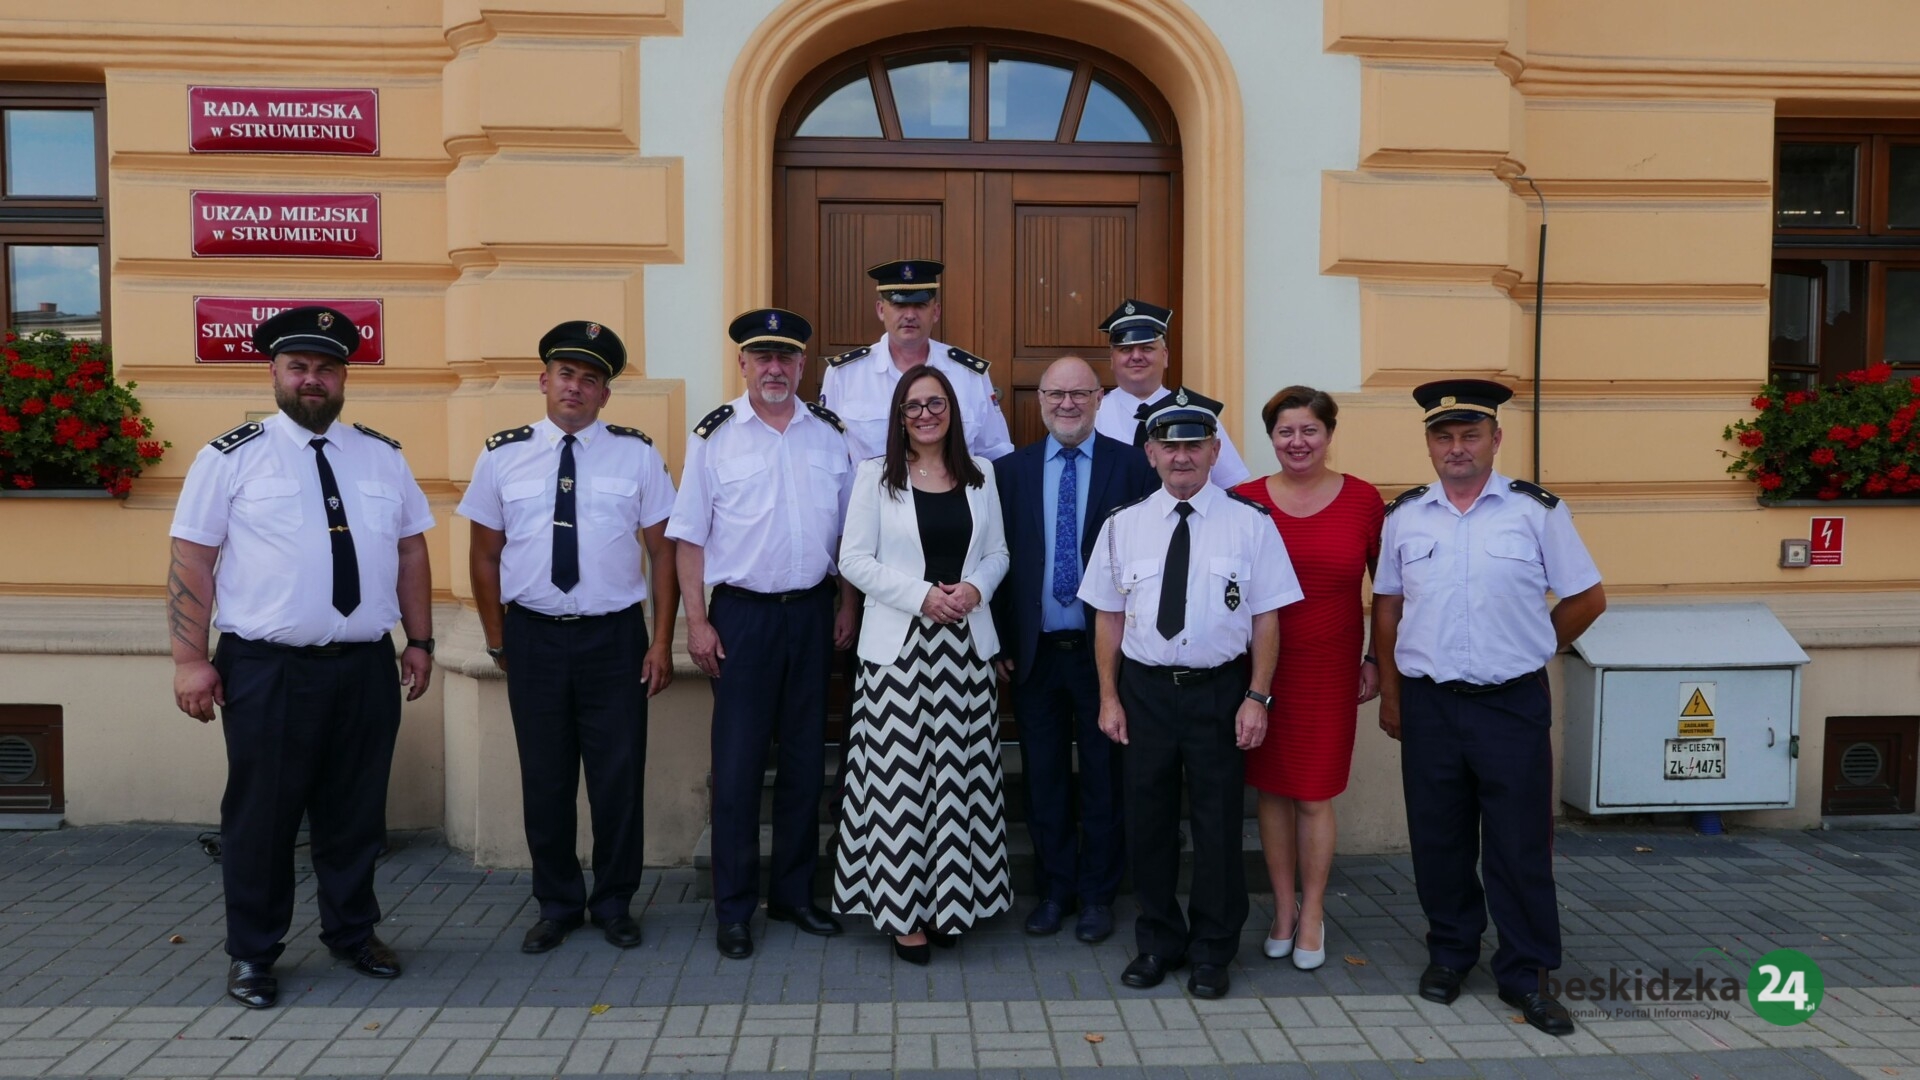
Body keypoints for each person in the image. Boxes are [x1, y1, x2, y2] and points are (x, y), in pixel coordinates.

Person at [167, 305, 435, 1009]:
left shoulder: (383, 456)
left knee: (356, 815)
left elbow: (410, 549)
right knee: (262, 818)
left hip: (364, 663)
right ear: (276, 372)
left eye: (325, 368)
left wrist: (422, 641)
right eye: (299, 367)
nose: (312, 379)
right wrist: (189, 660)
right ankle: (254, 954)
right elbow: (192, 558)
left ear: (343, 377)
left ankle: (352, 934)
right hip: (267, 665)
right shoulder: (231, 455)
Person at [1372, 378, 1607, 1037]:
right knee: (1438, 840)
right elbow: (1386, 607)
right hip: (1430, 704)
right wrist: (1390, 692)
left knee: (1519, 843)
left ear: (1496, 439)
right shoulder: (1406, 516)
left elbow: (1588, 598)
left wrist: (1536, 645)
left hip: (1510, 705)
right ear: (1428, 445)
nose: (1456, 447)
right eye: (1443, 436)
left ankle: (1526, 973)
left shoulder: (1536, 512)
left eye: (1469, 434)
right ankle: (1450, 954)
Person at [457, 320, 678, 955]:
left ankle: (613, 901)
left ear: (606, 394)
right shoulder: (501, 454)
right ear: (544, 380)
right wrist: (498, 640)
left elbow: (662, 554)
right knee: (546, 779)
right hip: (534, 638)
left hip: (615, 640)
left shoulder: (636, 454)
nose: (575, 387)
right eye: (565, 374)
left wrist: (661, 642)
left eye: (590, 379)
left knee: (617, 778)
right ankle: (557, 903)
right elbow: (483, 555)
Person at [1079, 399, 1302, 1000]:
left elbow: (1267, 619)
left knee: (1218, 825)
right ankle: (1157, 941)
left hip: (1220, 693)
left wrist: (1258, 696)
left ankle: (1212, 949)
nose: (1181, 456)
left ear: (1212, 452)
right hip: (1145, 692)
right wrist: (1108, 696)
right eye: (1168, 446)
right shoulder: (1123, 525)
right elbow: (1107, 617)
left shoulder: (1250, 524)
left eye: (1194, 445)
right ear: (1150, 454)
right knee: (1147, 823)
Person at [666, 308, 857, 960]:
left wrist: (847, 605)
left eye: (786, 357)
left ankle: (796, 895)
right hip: (741, 617)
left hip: (811, 613)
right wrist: (696, 621)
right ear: (743, 364)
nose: (774, 368)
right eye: (761, 357)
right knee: (741, 768)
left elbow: (850, 536)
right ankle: (735, 907)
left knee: (806, 762)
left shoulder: (831, 436)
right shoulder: (715, 438)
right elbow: (688, 538)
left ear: (803, 365)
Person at [832, 364, 1012, 965]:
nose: (926, 414)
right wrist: (921, 595)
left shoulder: (981, 475)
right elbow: (853, 559)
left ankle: (951, 904)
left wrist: (975, 589)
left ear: (952, 411)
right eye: (914, 406)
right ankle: (903, 914)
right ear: (899, 417)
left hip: (964, 647)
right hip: (898, 650)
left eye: (936, 403)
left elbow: (998, 552)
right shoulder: (875, 478)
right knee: (899, 788)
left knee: (959, 784)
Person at [989, 355, 1156, 944]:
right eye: (1056, 394)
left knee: (1105, 778)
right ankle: (1055, 891)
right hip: (1034, 656)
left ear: (1098, 398)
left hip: (1105, 656)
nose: (1067, 404)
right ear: (1039, 401)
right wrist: (1003, 641)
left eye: (1079, 394)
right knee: (1044, 777)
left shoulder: (1133, 467)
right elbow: (999, 565)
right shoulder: (1008, 472)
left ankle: (1097, 896)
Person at [1230, 386, 1384, 972]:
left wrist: (1375, 658)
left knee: (1315, 794)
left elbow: (1388, 589)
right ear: (1271, 438)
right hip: (1260, 670)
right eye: (1285, 432)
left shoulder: (1364, 501)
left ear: (1328, 433)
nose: (1297, 442)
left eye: (1309, 431)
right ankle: (1284, 909)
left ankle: (1315, 911)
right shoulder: (1242, 499)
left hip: (1329, 666)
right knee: (1270, 791)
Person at [820, 259, 1015, 462]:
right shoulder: (844, 374)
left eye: (920, 305)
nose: (910, 315)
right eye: (899, 305)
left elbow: (995, 452)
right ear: (880, 310)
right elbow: (828, 452)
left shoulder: (968, 374)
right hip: (871, 492)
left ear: (936, 312)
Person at [1090, 299, 1250, 487]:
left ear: (1165, 356)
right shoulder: (1093, 414)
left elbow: (1229, 484)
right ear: (1112, 359)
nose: (1136, 356)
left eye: (1147, 348)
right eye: (1126, 349)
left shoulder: (1197, 413)